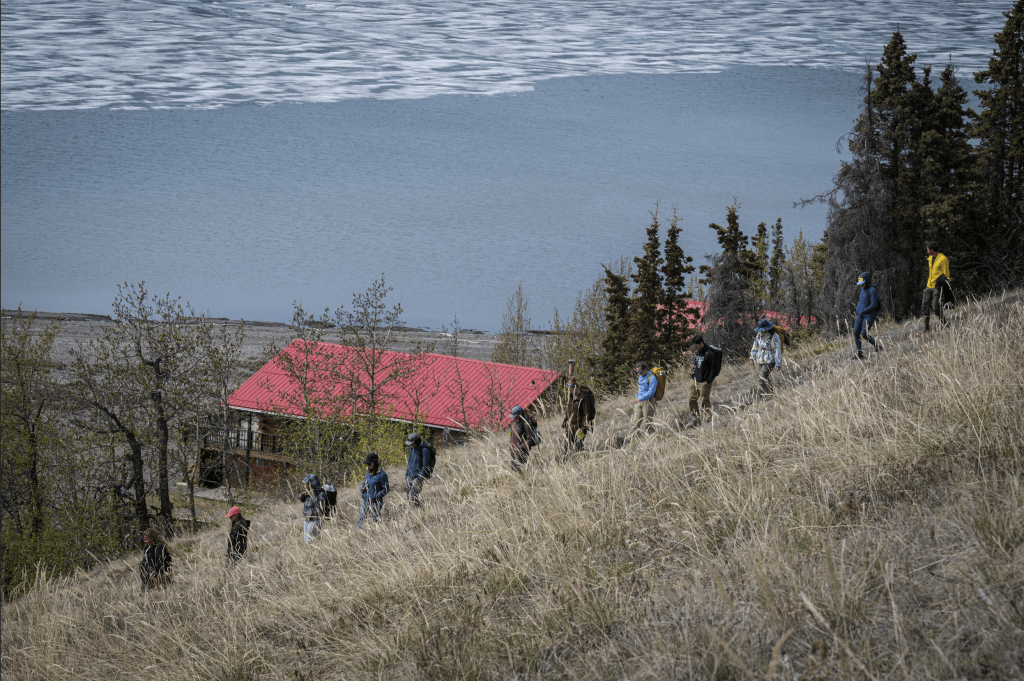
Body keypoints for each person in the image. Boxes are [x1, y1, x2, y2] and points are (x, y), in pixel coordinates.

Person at [688, 335, 722, 425]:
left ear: (701, 343)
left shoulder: (710, 354)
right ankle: (696, 420)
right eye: (694, 346)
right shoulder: (698, 352)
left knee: (704, 401)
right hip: (695, 380)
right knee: (691, 400)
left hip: (704, 382)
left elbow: (714, 369)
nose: (695, 348)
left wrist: (709, 380)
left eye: (697, 346)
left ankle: (708, 419)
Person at [922, 242, 952, 331]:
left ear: (932, 250)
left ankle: (945, 323)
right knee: (925, 306)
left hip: (937, 287)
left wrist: (941, 283)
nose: (927, 251)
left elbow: (947, 275)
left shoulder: (943, 259)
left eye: (928, 249)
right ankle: (926, 329)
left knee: (935, 308)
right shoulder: (930, 258)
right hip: (929, 285)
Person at [561, 383, 596, 457]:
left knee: (578, 446)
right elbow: (569, 411)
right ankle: (566, 461)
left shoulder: (584, 398)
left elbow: (587, 414)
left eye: (571, 389)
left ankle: (578, 462)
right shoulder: (571, 397)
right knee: (567, 446)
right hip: (570, 426)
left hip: (580, 427)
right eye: (569, 389)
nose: (570, 391)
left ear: (576, 387)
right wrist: (565, 421)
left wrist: (583, 427)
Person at [749, 318, 782, 397]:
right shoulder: (759, 334)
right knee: (765, 378)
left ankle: (759, 396)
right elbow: (755, 346)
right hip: (760, 358)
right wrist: (752, 357)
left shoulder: (774, 336)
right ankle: (771, 393)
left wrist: (778, 363)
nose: (762, 330)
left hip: (770, 359)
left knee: (762, 377)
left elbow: (777, 350)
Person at [627, 362, 658, 443]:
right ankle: (630, 439)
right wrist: (638, 398)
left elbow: (651, 392)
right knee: (635, 422)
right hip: (639, 401)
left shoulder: (652, 377)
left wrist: (641, 398)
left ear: (645, 370)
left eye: (640, 372)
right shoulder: (640, 377)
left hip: (648, 401)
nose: (638, 374)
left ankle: (654, 438)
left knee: (648, 422)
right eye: (637, 372)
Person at [853, 271, 881, 360]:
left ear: (867, 281)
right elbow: (861, 301)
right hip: (860, 315)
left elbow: (874, 304)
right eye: (860, 284)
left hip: (869, 316)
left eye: (863, 283)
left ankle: (876, 346)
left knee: (864, 334)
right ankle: (859, 352)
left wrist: (865, 310)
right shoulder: (862, 289)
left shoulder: (872, 290)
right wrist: (858, 309)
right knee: (856, 332)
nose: (861, 285)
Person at [358, 452, 390, 529]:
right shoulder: (368, 473)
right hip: (365, 501)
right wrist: (363, 494)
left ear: (374, 462)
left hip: (376, 503)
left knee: (375, 522)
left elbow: (386, 489)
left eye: (369, 463)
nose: (368, 466)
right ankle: (362, 537)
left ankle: (377, 537)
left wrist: (376, 496)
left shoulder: (382, 475)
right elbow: (366, 484)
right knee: (360, 520)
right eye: (367, 464)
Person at [404, 432, 434, 507]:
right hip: (409, 476)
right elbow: (409, 462)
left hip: (417, 478)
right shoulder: (412, 449)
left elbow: (425, 466)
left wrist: (419, 478)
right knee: (408, 497)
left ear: (416, 442)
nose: (411, 444)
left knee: (413, 497)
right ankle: (412, 512)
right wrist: (407, 474)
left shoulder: (424, 450)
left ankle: (418, 511)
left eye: (412, 443)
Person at [509, 405, 540, 472]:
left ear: (520, 414)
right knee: (513, 468)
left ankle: (523, 480)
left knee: (519, 468)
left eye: (515, 415)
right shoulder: (515, 422)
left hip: (521, 450)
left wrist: (521, 447)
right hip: (513, 449)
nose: (514, 417)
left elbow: (530, 438)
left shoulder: (525, 423)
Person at [300, 473, 326, 544]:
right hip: (307, 519)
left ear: (312, 484)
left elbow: (320, 505)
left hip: (315, 520)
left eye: (308, 483)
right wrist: (302, 495)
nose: (306, 485)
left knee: (310, 542)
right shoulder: (308, 492)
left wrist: (313, 495)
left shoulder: (320, 493)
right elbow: (302, 500)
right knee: (305, 541)